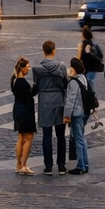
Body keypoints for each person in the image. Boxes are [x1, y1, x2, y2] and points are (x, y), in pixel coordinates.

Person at [32, 40, 68, 175]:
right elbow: (65, 84)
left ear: (43, 51)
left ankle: (48, 165)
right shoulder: (61, 66)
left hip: (44, 102)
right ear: (54, 50)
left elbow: (36, 87)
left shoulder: (37, 69)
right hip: (59, 101)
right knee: (60, 135)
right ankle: (61, 165)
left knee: (46, 135)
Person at [63, 56, 92, 175]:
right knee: (81, 138)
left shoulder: (74, 82)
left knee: (78, 139)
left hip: (76, 113)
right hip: (85, 111)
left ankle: (81, 165)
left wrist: (66, 115)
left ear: (74, 69)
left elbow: (70, 100)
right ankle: (85, 164)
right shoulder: (83, 78)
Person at [11, 57, 37, 174]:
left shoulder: (14, 80)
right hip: (26, 111)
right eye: (27, 67)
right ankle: (23, 165)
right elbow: (29, 95)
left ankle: (18, 164)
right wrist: (36, 87)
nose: (29, 69)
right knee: (29, 137)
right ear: (22, 68)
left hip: (18, 109)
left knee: (20, 136)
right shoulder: (22, 83)